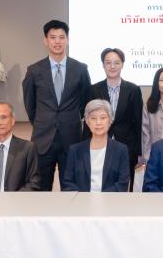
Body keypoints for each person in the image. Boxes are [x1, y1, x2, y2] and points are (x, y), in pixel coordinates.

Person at [22, 19, 91, 191]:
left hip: (72, 138)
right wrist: (43, 122)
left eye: (61, 37)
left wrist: (70, 118)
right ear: (45, 41)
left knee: (72, 189)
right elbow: (30, 105)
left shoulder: (80, 69)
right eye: (53, 37)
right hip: (43, 140)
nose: (57, 41)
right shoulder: (34, 70)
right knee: (41, 189)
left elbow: (85, 101)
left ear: (67, 40)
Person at [86, 48, 142, 190]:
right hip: (99, 145)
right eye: (108, 62)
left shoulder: (133, 90)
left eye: (116, 63)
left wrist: (139, 151)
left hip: (127, 147)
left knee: (125, 186)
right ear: (103, 65)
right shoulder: (93, 89)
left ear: (122, 64)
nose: (112, 66)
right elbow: (88, 120)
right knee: (100, 182)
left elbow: (138, 122)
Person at [63, 100, 129, 192]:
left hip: (110, 200)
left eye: (103, 118)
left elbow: (122, 185)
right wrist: (86, 198)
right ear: (87, 122)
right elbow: (68, 183)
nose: (98, 122)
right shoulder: (75, 150)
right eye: (93, 118)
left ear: (110, 121)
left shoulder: (121, 150)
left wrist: (100, 198)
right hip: (82, 200)